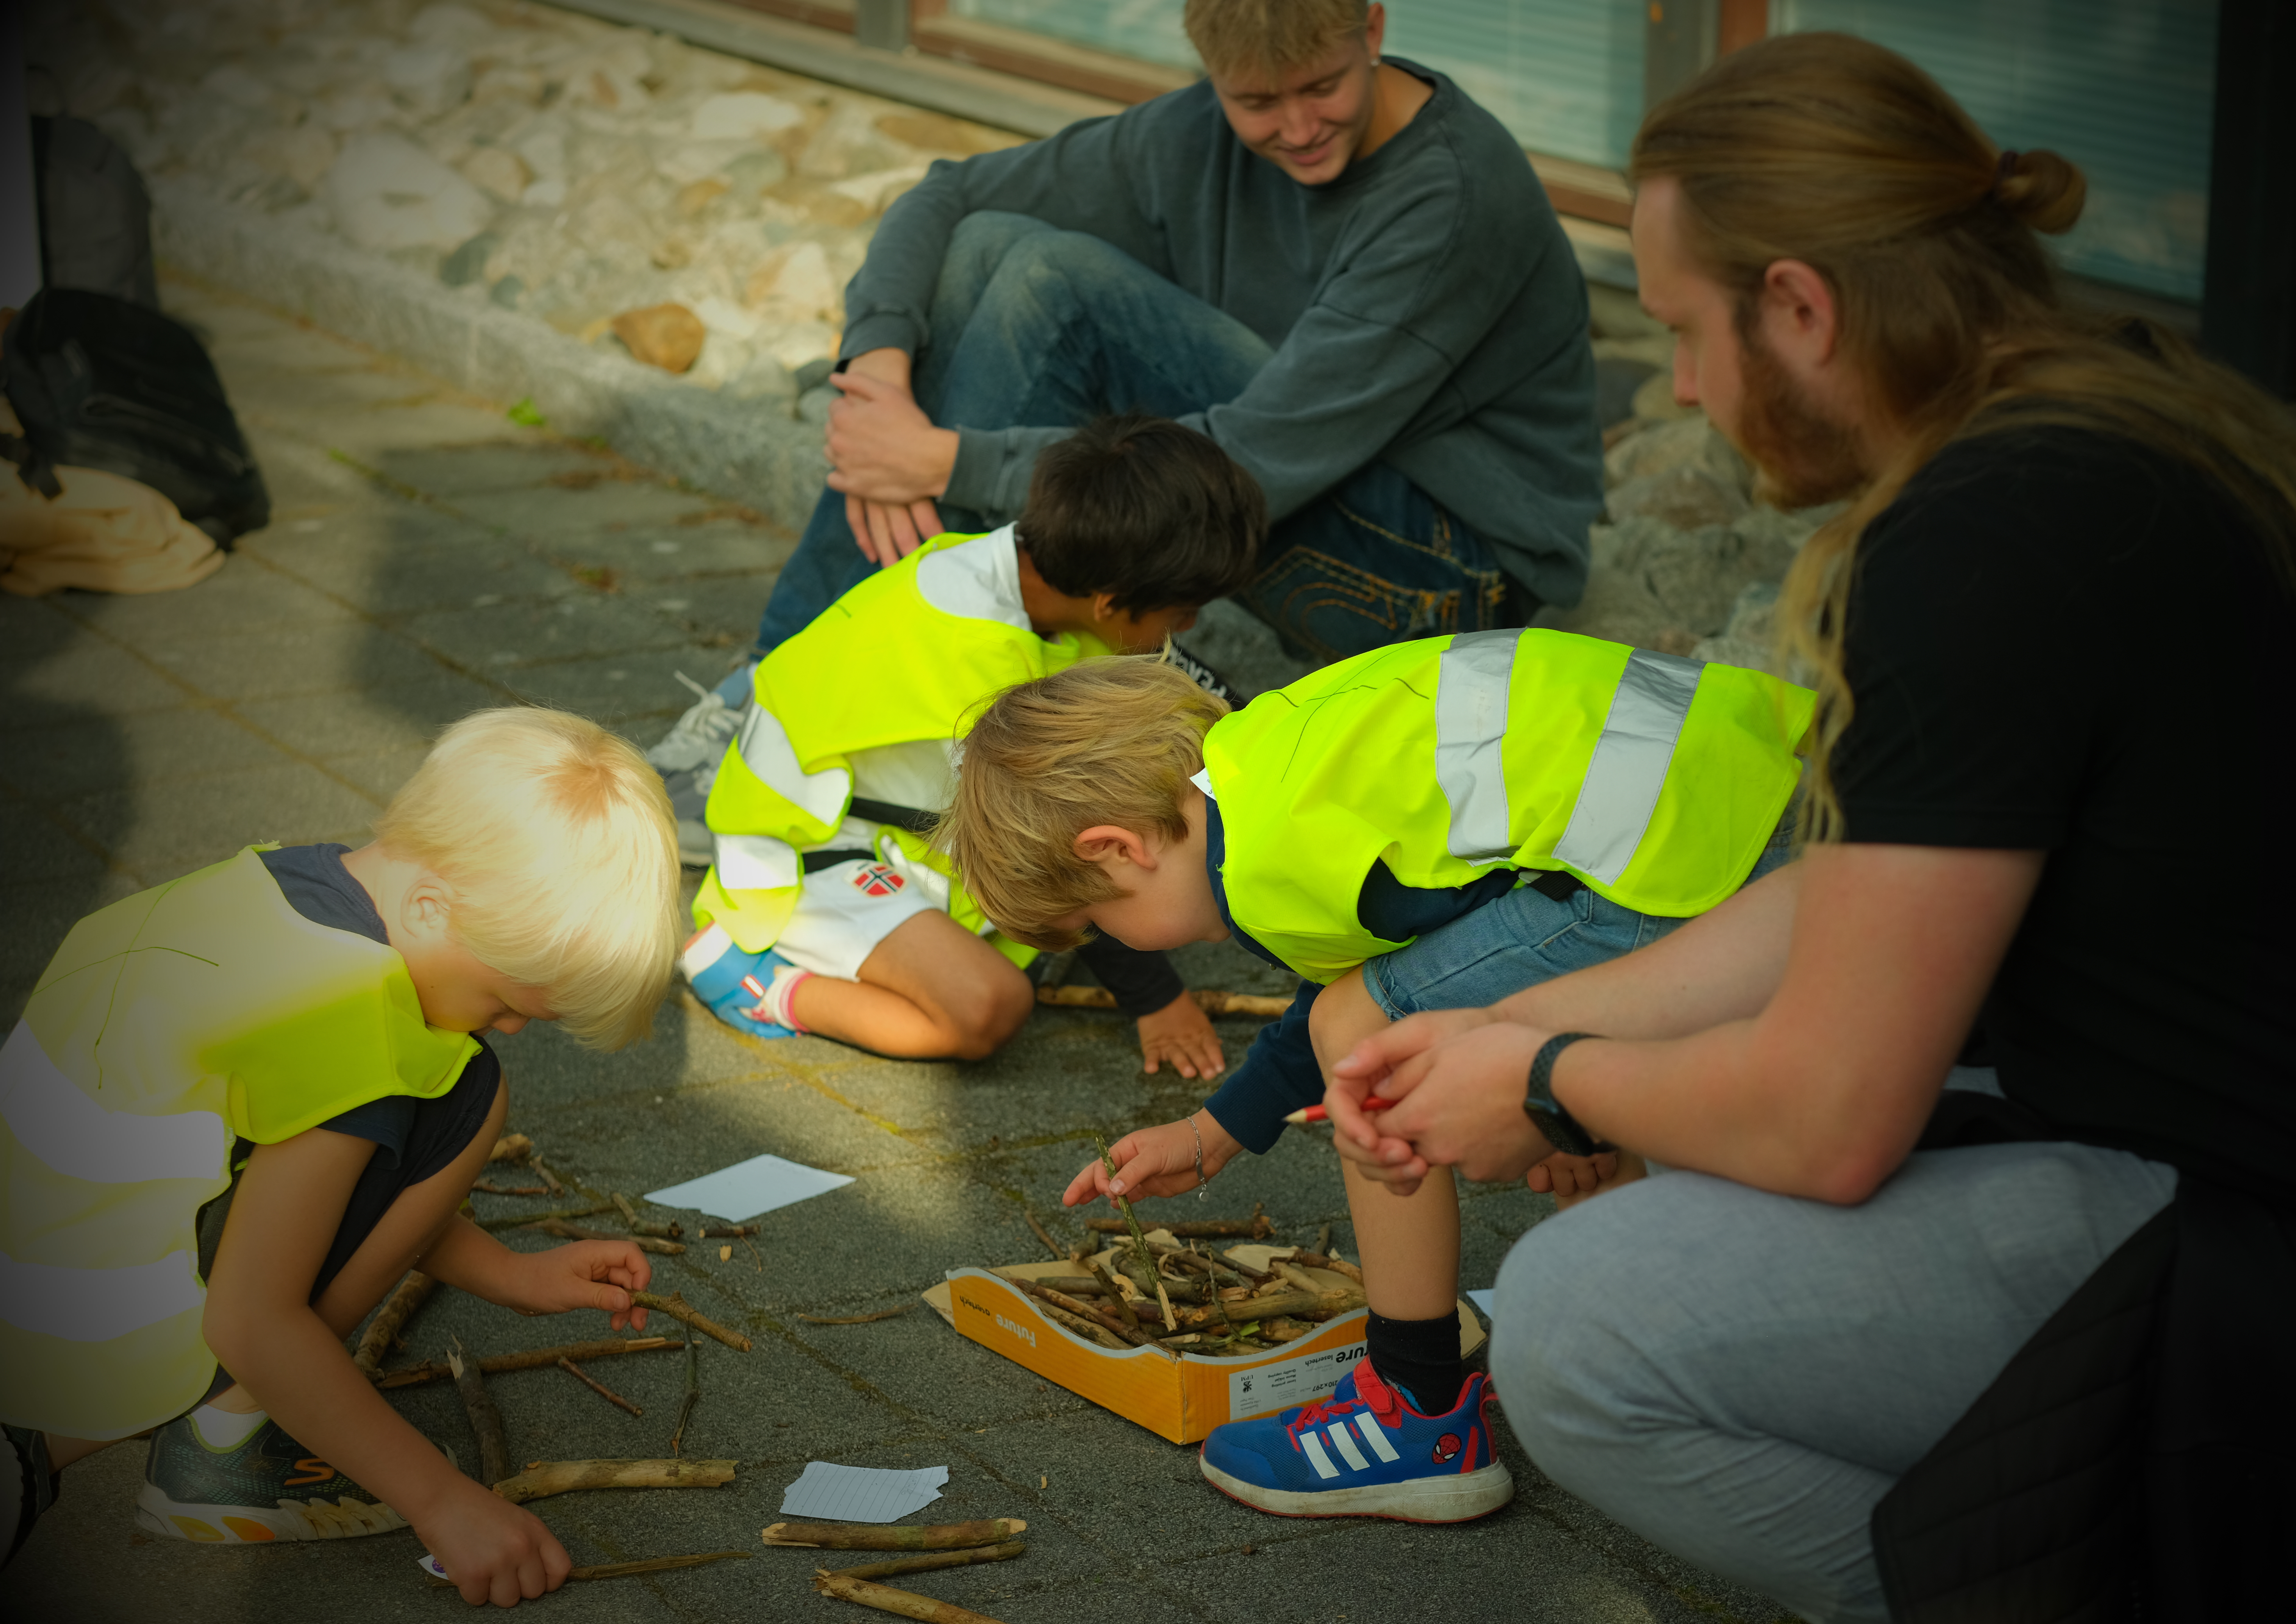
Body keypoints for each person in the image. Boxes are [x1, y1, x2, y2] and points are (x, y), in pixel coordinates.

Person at [1321, 33, 2296, 1622]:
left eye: (1690, 333)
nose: (1688, 388)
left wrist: (1550, 1089)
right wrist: (1505, 1018)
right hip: (2280, 1160)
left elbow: (1829, 1115)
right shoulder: (2124, 419)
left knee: (1582, 1322)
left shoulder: (1972, 542)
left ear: (1801, 305)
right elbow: (1845, 901)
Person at [938, 634, 1813, 1520]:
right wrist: (1216, 1131)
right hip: (1758, 778)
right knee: (1370, 1018)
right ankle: (1651, 1368)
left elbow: (1375, 1009)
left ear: (1117, 848)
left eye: (1096, 919)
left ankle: (1418, 1413)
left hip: (1674, 858)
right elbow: (1439, 955)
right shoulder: (1265, 754)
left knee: (1361, 1033)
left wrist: (1555, 1102)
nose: (1116, 943)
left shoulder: (1266, 872)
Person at [714, 0, 1597, 722]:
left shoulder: (1452, 195)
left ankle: (816, 704)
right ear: (1211, 74)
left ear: (1372, 29)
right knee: (986, 244)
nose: (1297, 128)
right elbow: (947, 193)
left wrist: (943, 460)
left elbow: (1258, 460)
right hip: (1295, 491)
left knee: (1054, 282)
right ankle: (802, 692)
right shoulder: (1194, 136)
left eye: (1322, 87)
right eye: (1257, 101)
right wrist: (878, 379)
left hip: (1443, 578)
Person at [0, 708, 684, 1607]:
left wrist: (510, 1274)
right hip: (66, 1355)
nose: (510, 1025)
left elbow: (319, 1177)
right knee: (467, 1092)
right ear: (435, 908)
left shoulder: (284, 884)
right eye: (504, 1000)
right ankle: (217, 1445)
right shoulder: (351, 1022)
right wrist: (445, 1502)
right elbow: (253, 1320)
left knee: (432, 1085)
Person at [681, 415, 1265, 1072]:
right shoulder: (978, 677)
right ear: (1109, 602)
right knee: (987, 1006)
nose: (1186, 628)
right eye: (1184, 611)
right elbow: (1063, 832)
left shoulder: (1019, 564)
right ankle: (762, 984)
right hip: (805, 851)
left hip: (880, 813)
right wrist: (1156, 1000)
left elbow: (1205, 702)